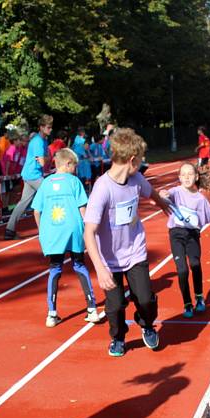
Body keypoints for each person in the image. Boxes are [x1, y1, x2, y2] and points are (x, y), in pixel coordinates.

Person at [83, 128, 172, 357]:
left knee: (145, 298)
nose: (143, 163)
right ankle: (119, 337)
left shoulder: (136, 179)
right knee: (114, 307)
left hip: (135, 251)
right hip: (109, 259)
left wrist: (165, 206)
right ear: (132, 160)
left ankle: (146, 324)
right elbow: (89, 232)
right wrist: (100, 269)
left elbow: (151, 193)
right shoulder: (102, 189)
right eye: (141, 159)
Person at [31, 148, 99, 327]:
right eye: (75, 165)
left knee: (55, 268)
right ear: (68, 164)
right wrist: (89, 230)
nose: (76, 169)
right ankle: (92, 308)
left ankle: (51, 314)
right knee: (79, 264)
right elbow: (82, 208)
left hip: (52, 231)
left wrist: (42, 230)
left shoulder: (45, 183)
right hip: (73, 230)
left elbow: (37, 210)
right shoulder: (74, 182)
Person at [160, 163, 210, 317]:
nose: (187, 177)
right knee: (182, 270)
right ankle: (187, 303)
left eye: (190, 174)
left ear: (196, 177)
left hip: (192, 235)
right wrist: (163, 193)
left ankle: (199, 297)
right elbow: (165, 194)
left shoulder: (200, 199)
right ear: (179, 178)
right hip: (176, 234)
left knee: (195, 264)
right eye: (183, 174)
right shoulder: (176, 192)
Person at [5, 114, 53, 240]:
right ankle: (48, 229)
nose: (50, 129)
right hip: (33, 175)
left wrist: (46, 158)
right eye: (48, 127)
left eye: (51, 127)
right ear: (41, 127)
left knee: (23, 203)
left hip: (31, 174)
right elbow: (43, 161)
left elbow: (45, 158)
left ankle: (9, 231)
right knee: (51, 196)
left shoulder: (43, 140)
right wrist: (47, 158)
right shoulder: (37, 141)